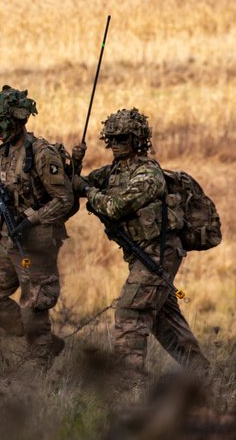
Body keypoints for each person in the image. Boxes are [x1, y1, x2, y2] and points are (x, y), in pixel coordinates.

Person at [72, 108, 209, 379]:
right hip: (142, 255)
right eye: (111, 139)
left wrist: (87, 191)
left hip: (160, 253)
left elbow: (115, 206)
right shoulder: (113, 172)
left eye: (122, 138)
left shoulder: (148, 175)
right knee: (162, 318)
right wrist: (75, 167)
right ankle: (201, 374)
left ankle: (129, 381)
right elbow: (76, 185)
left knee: (131, 310)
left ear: (137, 140)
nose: (115, 145)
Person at [0, 85, 73, 367]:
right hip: (8, 238)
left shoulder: (41, 154)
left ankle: (39, 360)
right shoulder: (4, 153)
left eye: (4, 123)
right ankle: (42, 340)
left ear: (19, 120)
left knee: (35, 303)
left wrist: (33, 218)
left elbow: (63, 200)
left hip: (36, 241)